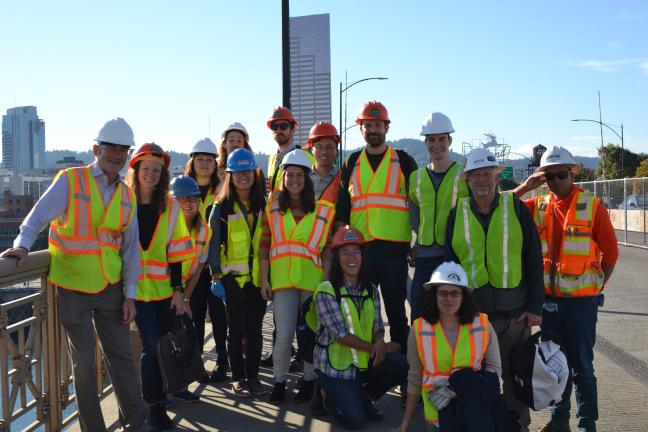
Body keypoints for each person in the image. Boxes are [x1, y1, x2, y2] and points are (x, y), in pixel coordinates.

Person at [0, 118, 149, 431]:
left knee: (122, 360)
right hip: (73, 288)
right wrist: (22, 246)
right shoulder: (72, 180)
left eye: (124, 151)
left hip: (111, 288)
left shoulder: (126, 194)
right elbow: (38, 215)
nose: (118, 156)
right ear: (96, 149)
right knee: (82, 368)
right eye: (112, 149)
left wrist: (131, 295)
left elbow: (131, 249)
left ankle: (136, 424)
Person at [512, 145, 618, 432]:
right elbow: (498, 207)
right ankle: (559, 422)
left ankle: (587, 425)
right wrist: (525, 186)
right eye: (549, 177)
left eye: (561, 175)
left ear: (572, 173)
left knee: (582, 366)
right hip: (548, 301)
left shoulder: (592, 206)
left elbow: (610, 254)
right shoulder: (537, 206)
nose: (556, 181)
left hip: (581, 304)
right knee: (553, 365)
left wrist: (596, 285)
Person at [444, 147, 544, 428]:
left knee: (515, 380)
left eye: (487, 173)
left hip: (516, 315)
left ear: (496, 177)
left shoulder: (517, 209)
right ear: (467, 179)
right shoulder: (457, 214)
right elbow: (450, 268)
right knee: (476, 381)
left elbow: (533, 260)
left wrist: (535, 307)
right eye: (475, 175)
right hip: (475, 317)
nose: (482, 180)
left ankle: (519, 426)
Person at [335, 100, 418, 356]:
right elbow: (342, 211)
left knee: (396, 316)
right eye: (367, 125)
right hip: (362, 253)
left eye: (377, 125)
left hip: (394, 254)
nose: (373, 130)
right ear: (361, 128)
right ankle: (366, 370)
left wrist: (417, 244)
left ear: (387, 127)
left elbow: (418, 206)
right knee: (363, 314)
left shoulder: (403, 161)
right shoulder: (351, 163)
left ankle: (403, 373)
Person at [126, 143, 195, 429]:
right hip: (134, 291)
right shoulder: (123, 201)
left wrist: (179, 293)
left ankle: (156, 401)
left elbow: (177, 252)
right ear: (136, 170)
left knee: (162, 346)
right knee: (152, 345)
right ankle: (154, 407)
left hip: (165, 291)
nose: (151, 174)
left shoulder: (169, 205)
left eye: (157, 170)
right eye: (146, 169)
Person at [311, 225, 407, 430]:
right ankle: (325, 394)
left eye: (356, 251)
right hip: (336, 369)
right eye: (345, 252)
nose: (351, 257)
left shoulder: (371, 289)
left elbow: (377, 326)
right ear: (337, 258)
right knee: (355, 421)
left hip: (362, 363)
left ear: (364, 256)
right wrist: (377, 348)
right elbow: (340, 336)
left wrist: (380, 340)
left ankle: (363, 395)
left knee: (401, 363)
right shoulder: (326, 290)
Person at [259, 148, 336, 404]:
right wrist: (264, 281)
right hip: (282, 283)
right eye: (289, 175)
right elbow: (264, 246)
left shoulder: (323, 211)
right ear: (283, 177)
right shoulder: (272, 209)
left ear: (307, 178)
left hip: (312, 282)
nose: (294, 180)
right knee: (283, 336)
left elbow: (327, 250)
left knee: (309, 336)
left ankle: (309, 380)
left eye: (299, 176)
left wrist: (324, 282)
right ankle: (279, 382)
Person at [393, 261, 502, 432]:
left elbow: (494, 371)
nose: (449, 299)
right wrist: (405, 423)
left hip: (473, 413)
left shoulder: (482, 325)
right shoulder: (419, 329)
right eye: (443, 293)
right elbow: (414, 377)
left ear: (463, 296)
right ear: (434, 296)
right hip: (437, 418)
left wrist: (459, 388)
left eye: (455, 293)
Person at [207, 149, 268, 398]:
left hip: (256, 281)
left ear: (254, 174)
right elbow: (213, 246)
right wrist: (216, 277)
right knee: (235, 332)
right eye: (238, 172)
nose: (243, 177)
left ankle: (252, 377)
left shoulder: (263, 205)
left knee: (254, 332)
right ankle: (238, 378)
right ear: (230, 175)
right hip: (232, 281)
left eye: (247, 172)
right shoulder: (221, 208)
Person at [408, 112, 469, 322]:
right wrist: (415, 242)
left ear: (450, 140)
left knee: (454, 315)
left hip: (454, 255)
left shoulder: (464, 176)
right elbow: (414, 213)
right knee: (419, 313)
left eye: (442, 139)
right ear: (425, 142)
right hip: (424, 257)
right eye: (431, 139)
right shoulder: (415, 178)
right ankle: (419, 354)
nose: (437, 144)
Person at [184, 136, 229, 382]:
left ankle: (223, 360)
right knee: (196, 315)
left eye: (209, 160)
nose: (204, 164)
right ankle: (197, 364)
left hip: (216, 265)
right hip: (191, 265)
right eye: (199, 159)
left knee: (220, 316)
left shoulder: (222, 189)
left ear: (215, 163)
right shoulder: (182, 188)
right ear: (192, 162)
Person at [171, 174, 213, 402]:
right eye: (182, 199)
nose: (188, 204)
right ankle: (162, 391)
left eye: (192, 199)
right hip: (159, 289)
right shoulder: (165, 226)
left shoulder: (204, 231)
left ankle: (179, 388)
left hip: (181, 291)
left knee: (183, 337)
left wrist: (185, 299)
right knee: (161, 341)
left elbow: (198, 269)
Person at [266, 106, 315, 197]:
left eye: (283, 126)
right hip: (275, 210)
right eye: (274, 127)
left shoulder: (307, 158)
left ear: (292, 130)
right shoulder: (271, 159)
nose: (278, 130)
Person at [305, 121, 342, 203]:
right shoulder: (303, 178)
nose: (324, 151)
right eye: (319, 147)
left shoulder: (343, 180)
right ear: (312, 150)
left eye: (329, 147)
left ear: (336, 151)